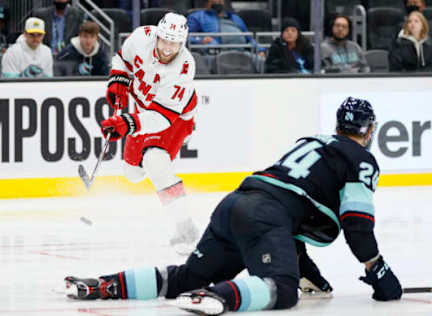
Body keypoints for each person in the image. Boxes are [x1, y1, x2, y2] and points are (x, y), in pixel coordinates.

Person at [63, 97, 402, 315]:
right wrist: (380, 271)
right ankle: (217, 297)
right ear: (369, 130)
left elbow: (296, 220)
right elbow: (357, 225)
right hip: (266, 217)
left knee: (184, 277)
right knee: (282, 289)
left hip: (236, 204)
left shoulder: (311, 142)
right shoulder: (360, 158)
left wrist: (311, 275)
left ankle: (102, 285)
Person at [99, 12, 200, 250]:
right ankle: (161, 175)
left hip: (173, 119)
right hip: (146, 110)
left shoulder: (184, 68)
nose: (167, 48)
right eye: (165, 40)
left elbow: (162, 117)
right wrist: (118, 80)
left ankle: (184, 227)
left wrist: (127, 123)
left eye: (174, 43)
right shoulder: (141, 37)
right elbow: (122, 60)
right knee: (133, 173)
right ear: (157, 35)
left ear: (182, 43)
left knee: (156, 163)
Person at [187, 0, 266, 57]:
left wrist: (260, 49)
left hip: (242, 52)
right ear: (208, 2)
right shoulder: (197, 16)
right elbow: (186, 37)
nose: (219, 2)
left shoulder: (235, 17)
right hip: (217, 53)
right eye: (216, 0)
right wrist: (201, 40)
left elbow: (249, 37)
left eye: (221, 1)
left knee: (260, 59)